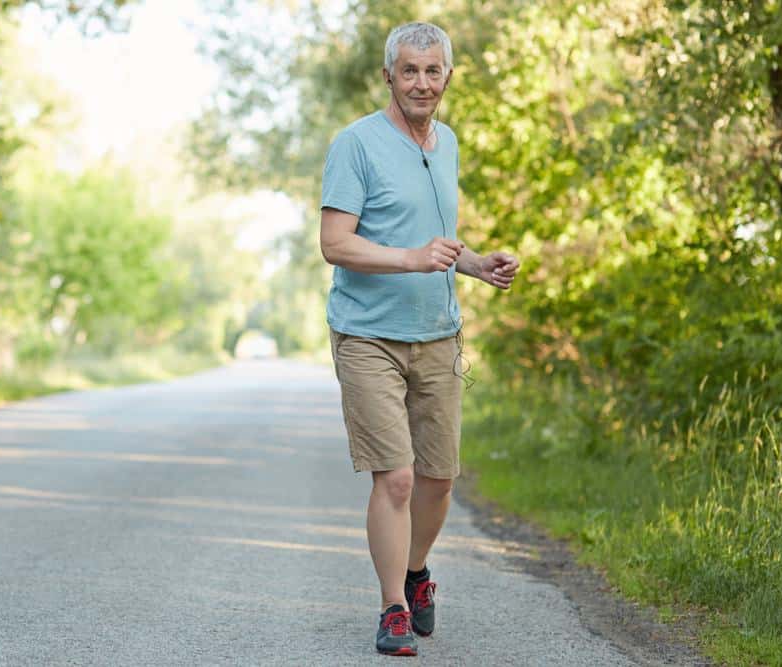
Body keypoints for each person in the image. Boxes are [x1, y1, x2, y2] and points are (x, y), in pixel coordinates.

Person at [319, 22, 520, 657]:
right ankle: (393, 609)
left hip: (437, 333)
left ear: (448, 78)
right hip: (368, 335)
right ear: (388, 76)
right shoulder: (355, 145)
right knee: (399, 478)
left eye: (433, 71)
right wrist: (410, 258)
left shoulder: (449, 142)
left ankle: (416, 570)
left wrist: (476, 264)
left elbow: (436, 241)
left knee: (439, 478)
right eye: (409, 70)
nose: (422, 82)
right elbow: (335, 244)